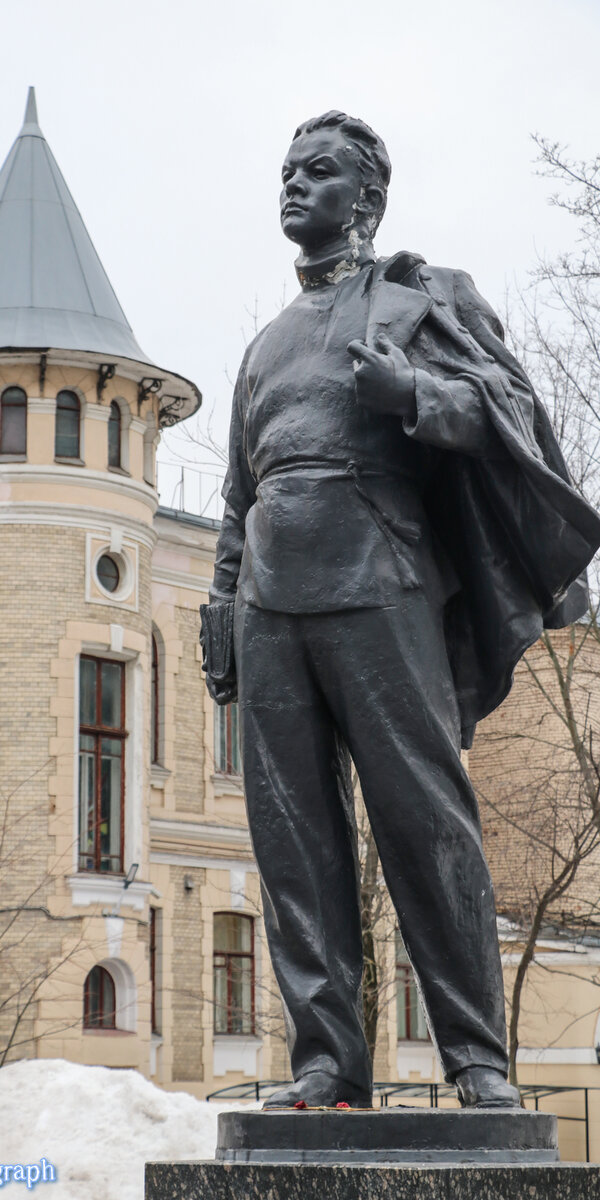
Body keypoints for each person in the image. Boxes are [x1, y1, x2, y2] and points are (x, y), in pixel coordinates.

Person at [200, 110, 600, 1110]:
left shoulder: (423, 300)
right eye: (286, 170)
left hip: (379, 580)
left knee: (423, 823)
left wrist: (412, 391)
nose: (292, 185)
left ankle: (473, 1060)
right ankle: (327, 1061)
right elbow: (239, 491)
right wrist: (218, 594)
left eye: (317, 171)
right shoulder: (264, 344)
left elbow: (510, 417)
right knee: (292, 839)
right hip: (270, 601)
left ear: (366, 200)